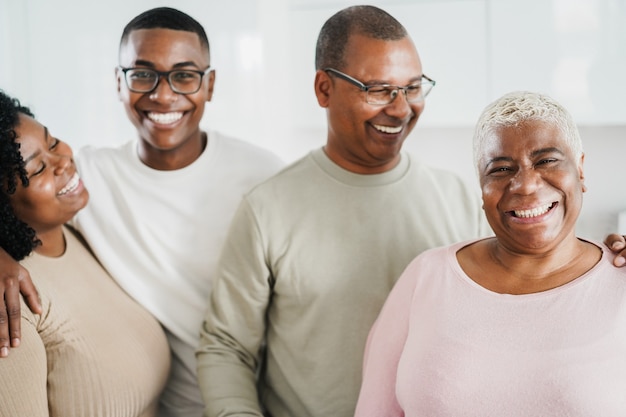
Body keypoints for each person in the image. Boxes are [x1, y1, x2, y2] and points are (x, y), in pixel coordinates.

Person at [195, 6, 490, 417]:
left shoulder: (461, 200)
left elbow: (518, 311)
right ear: (323, 89)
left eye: (412, 87)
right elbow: (226, 348)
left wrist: (607, 262)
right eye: (378, 89)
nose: (402, 109)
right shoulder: (268, 209)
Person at [0, 7, 284, 417]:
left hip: (267, 403)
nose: (163, 95)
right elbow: (15, 195)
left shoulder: (264, 176)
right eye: (142, 74)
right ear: (119, 82)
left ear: (211, 84)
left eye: (184, 75)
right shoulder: (89, 178)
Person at [354, 90, 626, 416]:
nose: (525, 185)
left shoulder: (620, 281)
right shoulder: (426, 277)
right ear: (481, 188)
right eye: (500, 169)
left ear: (580, 170)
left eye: (546, 160)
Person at [0, 90, 170, 416]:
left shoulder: (85, 235)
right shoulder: (11, 304)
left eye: (53, 142)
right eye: (36, 170)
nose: (63, 162)